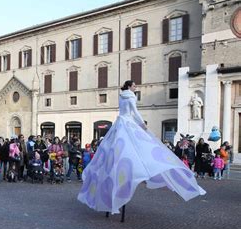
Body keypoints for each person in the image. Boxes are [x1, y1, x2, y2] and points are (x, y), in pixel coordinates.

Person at [78, 80, 205, 214]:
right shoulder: (131, 96)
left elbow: (124, 111)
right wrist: (142, 124)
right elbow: (134, 111)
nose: (135, 87)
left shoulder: (121, 96)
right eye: (133, 86)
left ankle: (112, 190)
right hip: (127, 123)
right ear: (129, 86)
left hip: (119, 123)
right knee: (144, 146)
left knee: (114, 153)